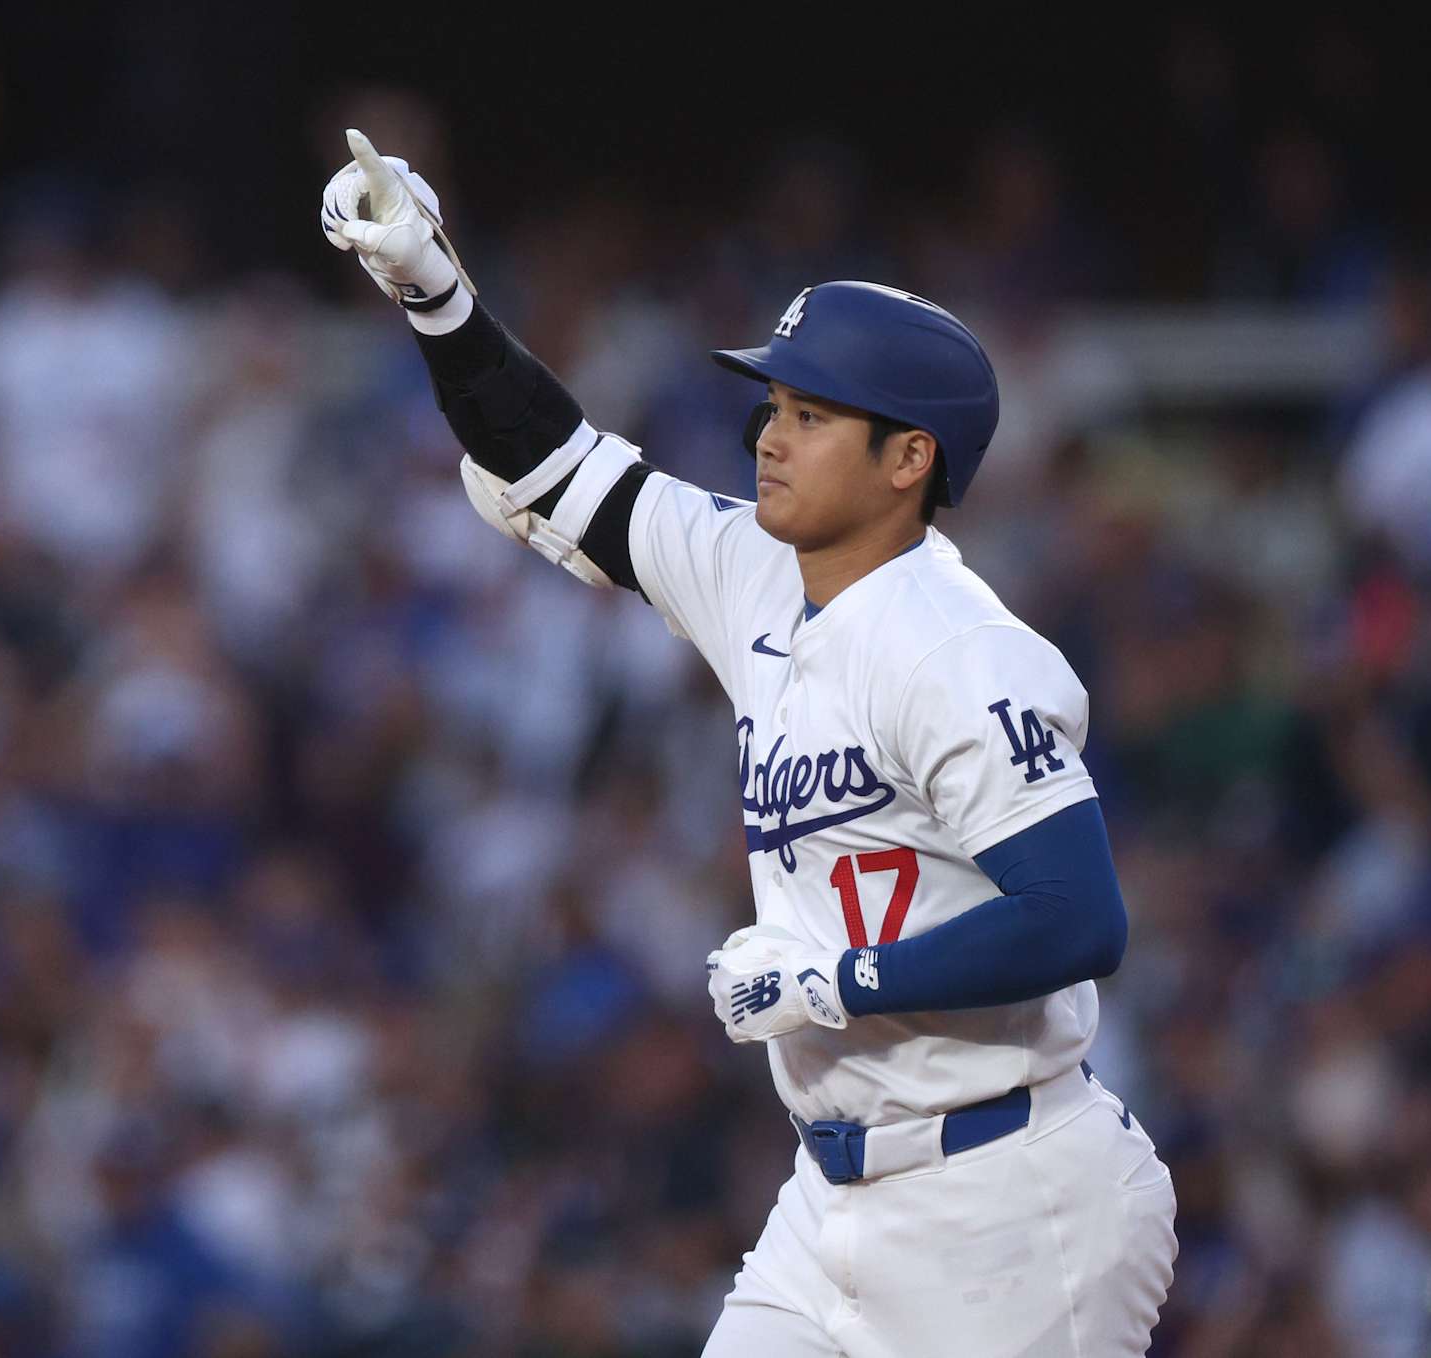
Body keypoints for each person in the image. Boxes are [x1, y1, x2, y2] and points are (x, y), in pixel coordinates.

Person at [320, 130, 1177, 1357]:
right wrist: (434, 293)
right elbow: (550, 464)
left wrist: (839, 979)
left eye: (813, 414)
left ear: (908, 459)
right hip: (830, 1195)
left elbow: (1079, 916)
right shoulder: (756, 571)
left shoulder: (959, 650)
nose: (769, 436)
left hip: (1009, 1199)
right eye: (775, 403)